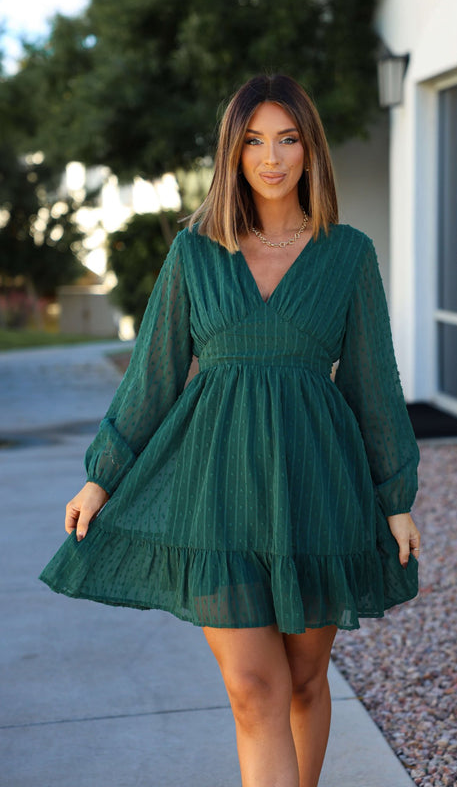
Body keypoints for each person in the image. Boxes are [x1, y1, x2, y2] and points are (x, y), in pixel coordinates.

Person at [40, 74, 421, 787]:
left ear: (310, 151)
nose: (270, 157)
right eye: (252, 141)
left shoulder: (348, 254)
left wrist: (394, 495)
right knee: (255, 691)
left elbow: (374, 383)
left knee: (305, 685)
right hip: (214, 496)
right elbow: (152, 376)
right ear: (231, 152)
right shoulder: (194, 252)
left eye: (287, 138)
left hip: (318, 490)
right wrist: (102, 475)